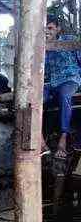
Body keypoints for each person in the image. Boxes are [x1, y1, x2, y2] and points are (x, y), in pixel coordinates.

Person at [43, 17, 81, 158]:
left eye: (50, 28)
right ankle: (41, 142)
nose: (47, 31)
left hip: (69, 79)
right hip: (49, 84)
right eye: (45, 29)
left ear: (58, 29)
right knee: (35, 101)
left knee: (65, 96)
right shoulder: (40, 45)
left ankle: (63, 138)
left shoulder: (69, 40)